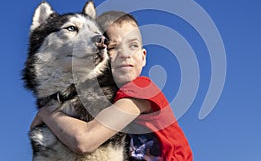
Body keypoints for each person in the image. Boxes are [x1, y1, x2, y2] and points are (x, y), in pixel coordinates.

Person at [30, 11, 193, 160]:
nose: (125, 54)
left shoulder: (141, 89)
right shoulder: (112, 97)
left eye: (133, 46)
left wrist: (48, 114)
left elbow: (85, 140)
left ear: (143, 57)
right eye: (114, 47)